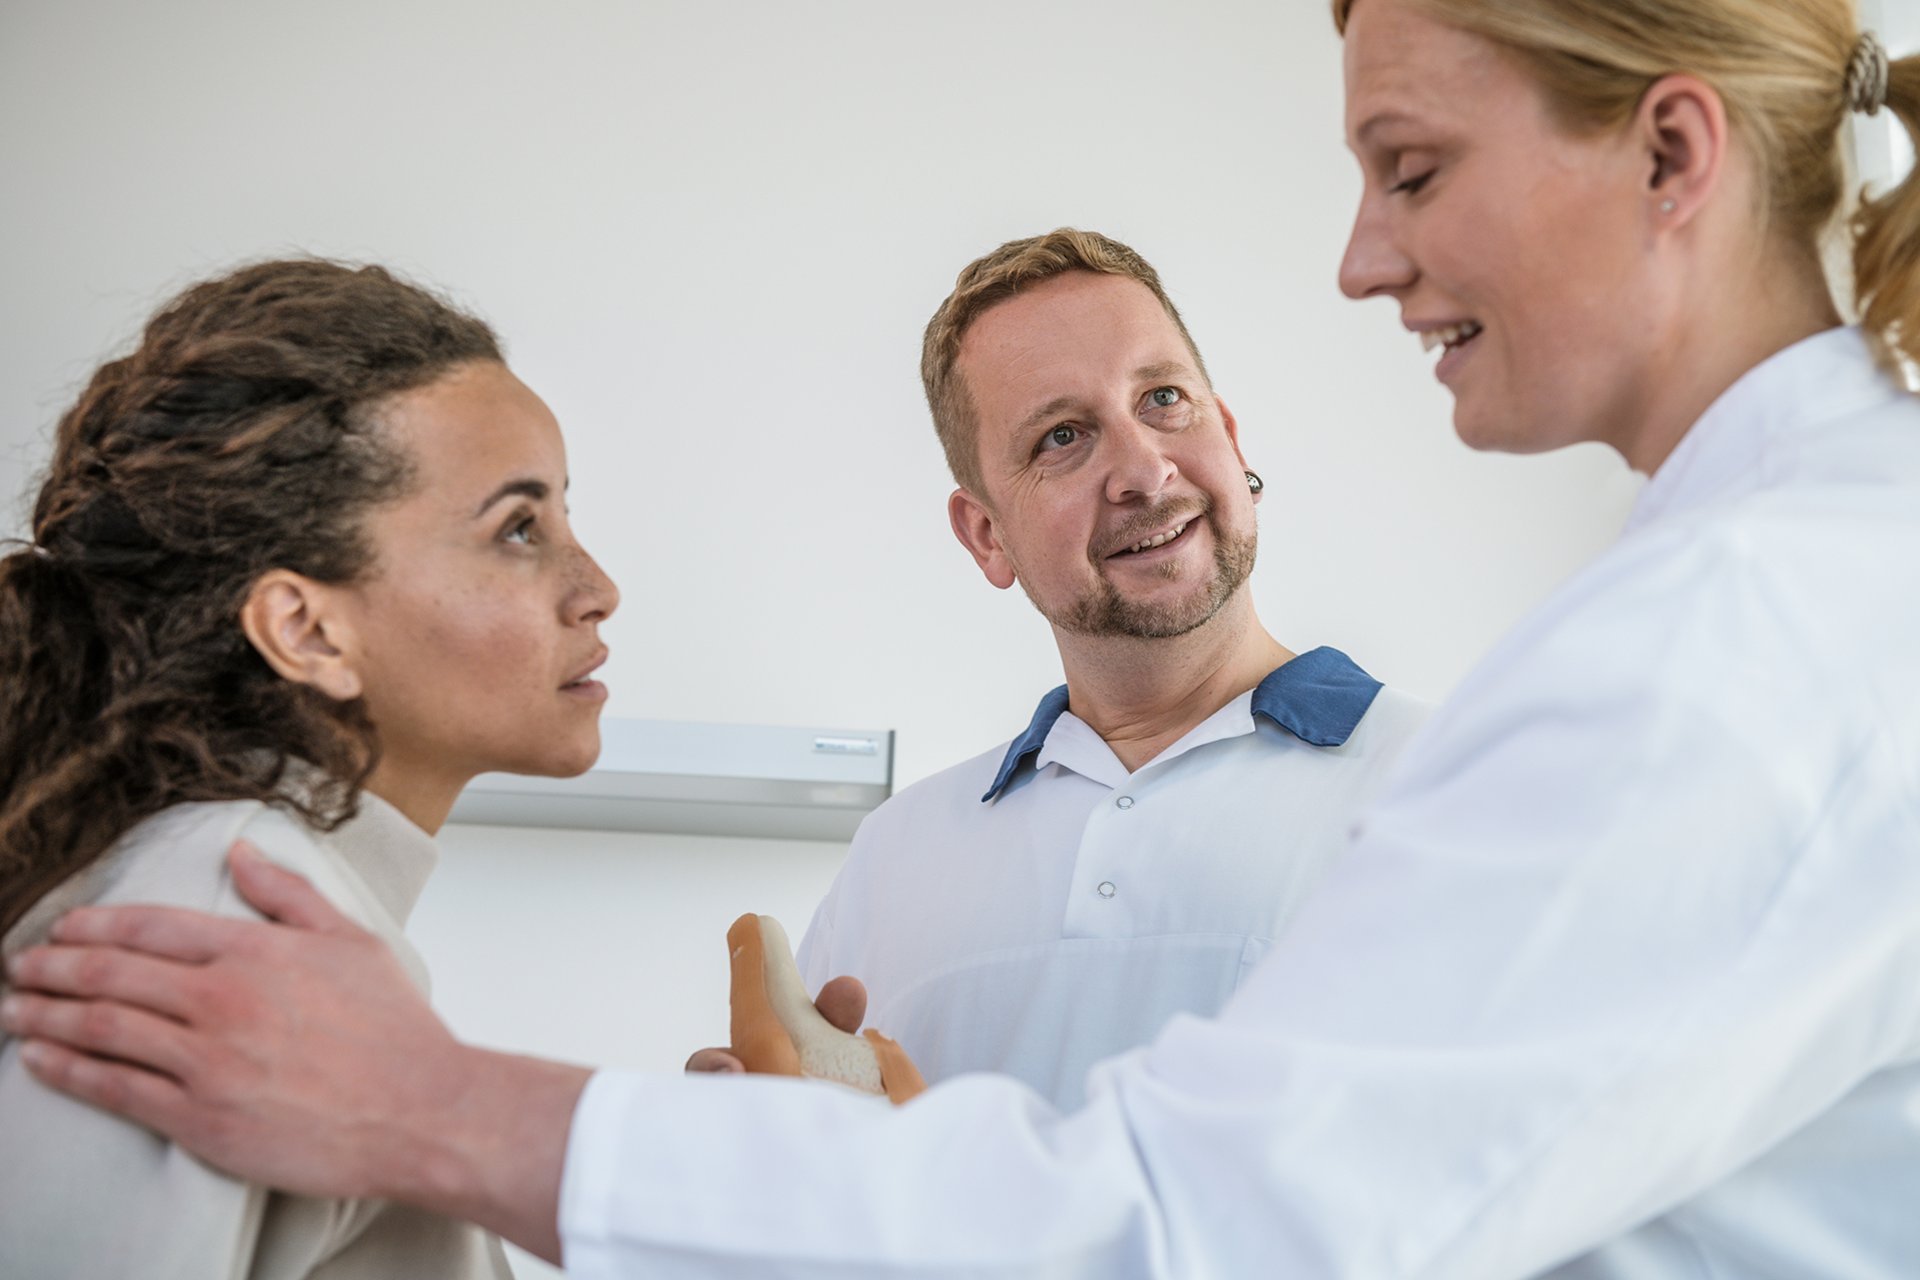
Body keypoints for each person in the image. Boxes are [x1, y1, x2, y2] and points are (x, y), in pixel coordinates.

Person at [6, 0, 1920, 1275]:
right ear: (980, 531)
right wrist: (831, 1149)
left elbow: (1196, 1223)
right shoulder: (248, 910)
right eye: (1060, 440)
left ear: (1674, 156)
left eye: (1412, 170)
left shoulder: (1710, 646)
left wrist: (450, 1112)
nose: (1360, 256)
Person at [693, 229, 1428, 1110]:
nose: (1144, 471)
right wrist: (757, 1157)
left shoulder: (1444, 783)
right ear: (987, 536)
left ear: (1229, 438)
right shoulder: (897, 858)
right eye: (1064, 437)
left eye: (1163, 399)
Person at [0, 259, 619, 1279]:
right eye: (518, 527)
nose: (598, 587)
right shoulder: (225, 905)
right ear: (307, 628)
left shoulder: (262, 889)